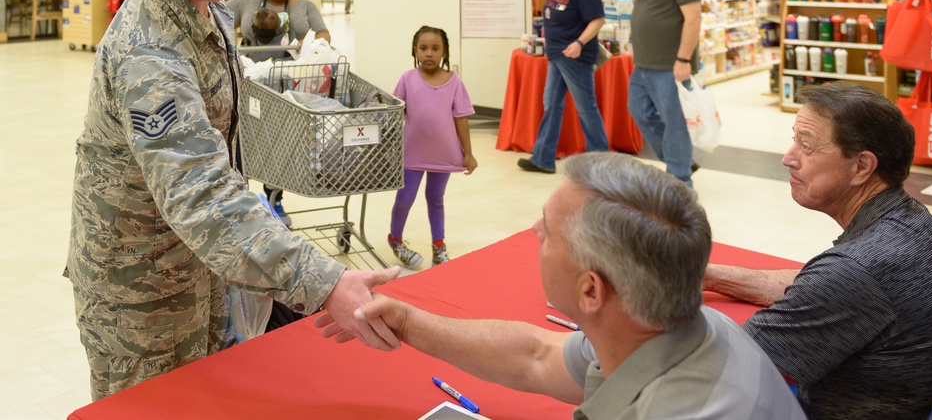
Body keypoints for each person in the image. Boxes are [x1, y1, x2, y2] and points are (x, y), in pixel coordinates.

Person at [65, 0, 399, 401]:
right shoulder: (148, 53)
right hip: (141, 293)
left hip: (202, 267)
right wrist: (325, 282)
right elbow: (200, 194)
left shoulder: (211, 5)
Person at [320, 152, 806, 419]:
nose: (532, 231)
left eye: (549, 230)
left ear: (592, 291)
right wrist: (406, 321)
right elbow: (536, 356)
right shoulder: (680, 329)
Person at [702, 82, 932, 419]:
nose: (788, 158)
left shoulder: (856, 270)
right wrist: (713, 277)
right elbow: (812, 290)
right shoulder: (911, 223)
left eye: (806, 145)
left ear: (861, 167)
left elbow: (722, 366)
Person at [227, 0, 332, 223]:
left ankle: (276, 201)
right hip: (250, 83)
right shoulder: (246, 2)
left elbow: (323, 34)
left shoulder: (304, 7)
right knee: (242, 140)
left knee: (279, 142)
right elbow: (219, 21)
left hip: (287, 85)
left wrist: (307, 46)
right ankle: (242, 199)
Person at [388, 26, 477, 268]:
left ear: (445, 52)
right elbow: (397, 114)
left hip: (443, 155)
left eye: (435, 49)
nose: (429, 53)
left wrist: (468, 154)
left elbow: (461, 119)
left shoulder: (454, 81)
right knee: (405, 198)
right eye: (424, 48)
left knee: (436, 198)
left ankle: (439, 246)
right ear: (415, 51)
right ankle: (395, 239)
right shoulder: (407, 78)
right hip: (412, 154)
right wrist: (388, 149)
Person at [517, 0, 607, 175]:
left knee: (586, 108)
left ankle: (600, 162)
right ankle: (543, 158)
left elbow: (597, 20)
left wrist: (579, 43)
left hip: (575, 56)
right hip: (556, 54)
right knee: (551, 105)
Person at [626, 0, 701, 187]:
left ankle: (680, 181)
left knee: (674, 121)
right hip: (644, 62)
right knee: (639, 111)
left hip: (670, 64)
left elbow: (693, 18)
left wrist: (683, 59)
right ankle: (677, 158)